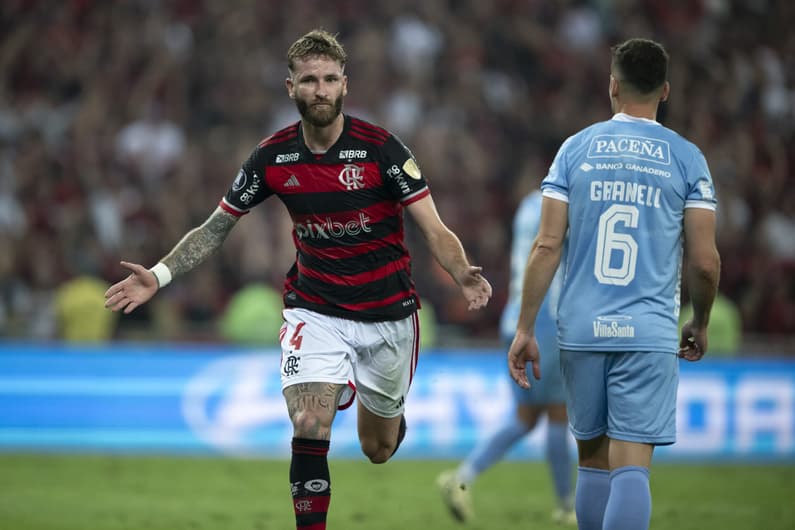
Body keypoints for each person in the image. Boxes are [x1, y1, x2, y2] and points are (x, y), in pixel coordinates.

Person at [104, 29, 492, 530]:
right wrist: (159, 275)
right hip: (316, 309)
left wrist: (462, 273)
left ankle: (374, 406)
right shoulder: (273, 157)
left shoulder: (382, 150)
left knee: (378, 449)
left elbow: (433, 228)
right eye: (309, 80)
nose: (321, 89)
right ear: (291, 88)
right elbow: (216, 227)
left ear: (345, 85)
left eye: (330, 79)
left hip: (389, 314)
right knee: (310, 421)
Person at [507, 38, 720, 530]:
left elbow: (545, 246)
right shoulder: (688, 159)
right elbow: (705, 262)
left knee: (593, 464)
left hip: (581, 329)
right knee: (631, 467)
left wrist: (524, 328)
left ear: (613, 84)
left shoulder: (574, 149)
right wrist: (701, 320)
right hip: (647, 331)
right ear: (664, 90)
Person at [436, 187, 575, 524]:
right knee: (558, 413)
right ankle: (566, 506)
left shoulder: (528, 204)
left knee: (526, 418)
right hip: (546, 317)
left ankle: (462, 478)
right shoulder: (562, 205)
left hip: (516, 316)